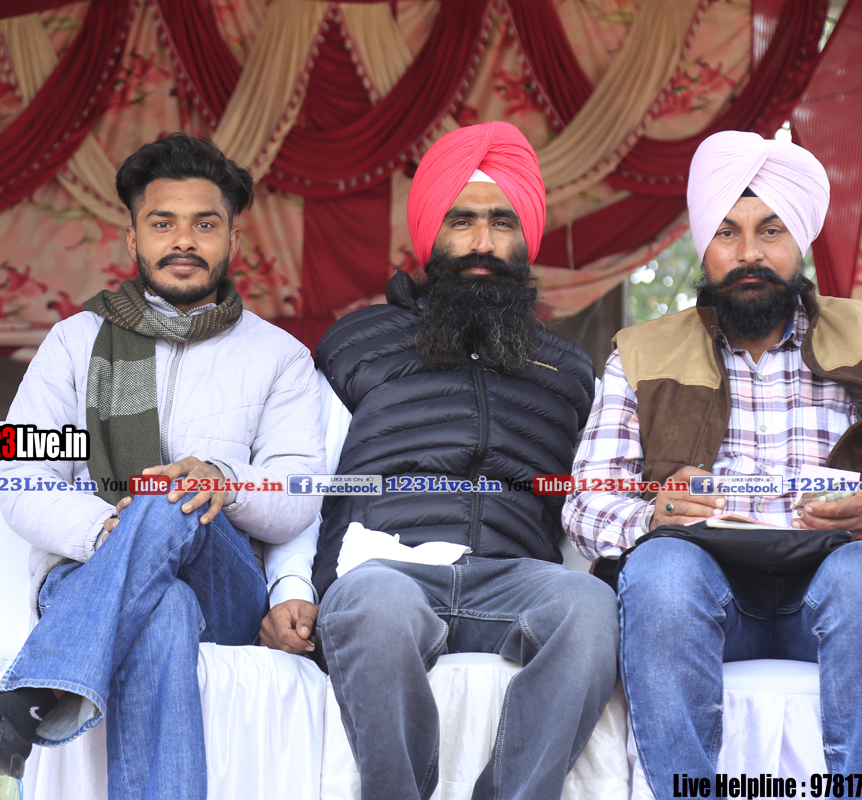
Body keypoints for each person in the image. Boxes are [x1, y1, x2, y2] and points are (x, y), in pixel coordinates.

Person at [0, 133, 326, 800]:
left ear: (233, 239)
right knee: (164, 605)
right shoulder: (74, 343)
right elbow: (19, 474)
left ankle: (14, 715)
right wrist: (104, 530)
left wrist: (224, 481)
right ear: (132, 238)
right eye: (163, 223)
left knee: (175, 493)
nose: (184, 241)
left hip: (225, 583)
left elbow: (296, 495)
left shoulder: (280, 356)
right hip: (87, 567)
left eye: (205, 224)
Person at [564, 130, 862, 796]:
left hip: (836, 587)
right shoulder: (639, 352)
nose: (750, 253)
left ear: (800, 241)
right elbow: (586, 500)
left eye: (771, 231)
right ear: (704, 244)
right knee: (662, 570)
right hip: (704, 596)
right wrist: (651, 516)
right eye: (727, 233)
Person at [259, 121, 618, 800]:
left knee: (592, 608)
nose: (482, 242)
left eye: (502, 222)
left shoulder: (569, 371)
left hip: (513, 576)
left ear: (526, 238)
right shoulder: (357, 344)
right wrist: (291, 587)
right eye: (462, 221)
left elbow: (581, 514)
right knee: (376, 606)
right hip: (383, 567)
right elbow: (307, 484)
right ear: (431, 234)